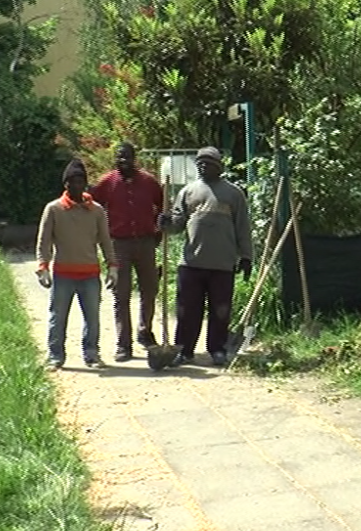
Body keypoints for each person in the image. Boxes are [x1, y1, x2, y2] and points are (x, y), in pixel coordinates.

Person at [157, 146, 253, 367]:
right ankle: (183, 350)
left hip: (222, 264)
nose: (202, 166)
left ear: (219, 166)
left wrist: (246, 257)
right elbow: (177, 225)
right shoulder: (188, 192)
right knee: (187, 310)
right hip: (191, 264)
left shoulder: (233, 193)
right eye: (199, 163)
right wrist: (166, 224)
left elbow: (242, 228)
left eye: (207, 162)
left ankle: (217, 349)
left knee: (220, 310)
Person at [35, 158, 118, 371]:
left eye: (82, 181)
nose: (78, 185)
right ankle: (55, 356)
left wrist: (113, 266)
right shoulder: (53, 209)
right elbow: (44, 240)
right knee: (58, 317)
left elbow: (105, 240)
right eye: (73, 181)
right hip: (63, 274)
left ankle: (91, 354)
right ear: (66, 184)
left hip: (90, 275)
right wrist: (43, 266)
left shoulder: (97, 211)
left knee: (93, 318)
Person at [89, 142, 165, 362]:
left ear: (134, 158)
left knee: (150, 289)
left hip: (146, 242)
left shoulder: (149, 182)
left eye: (127, 157)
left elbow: (163, 207)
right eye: (119, 157)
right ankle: (124, 344)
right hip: (118, 245)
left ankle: (145, 332)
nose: (123, 161)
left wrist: (159, 228)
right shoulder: (107, 182)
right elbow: (92, 205)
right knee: (120, 295)